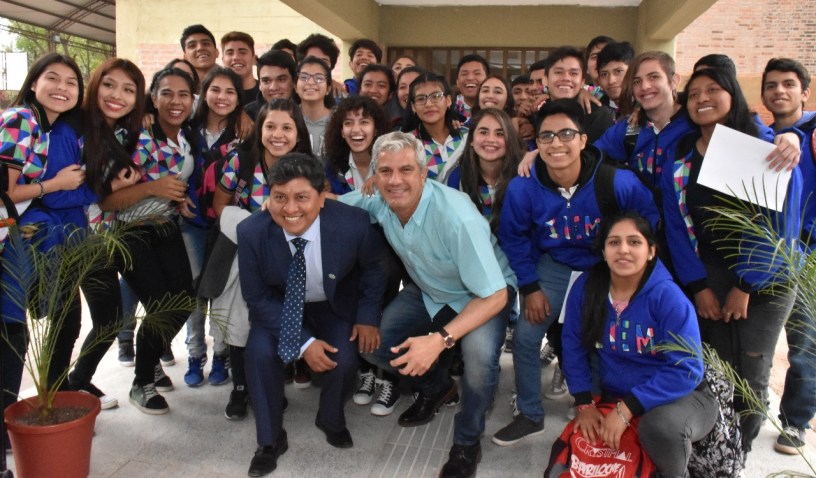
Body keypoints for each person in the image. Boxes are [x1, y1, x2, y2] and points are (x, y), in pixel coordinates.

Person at [338, 131, 516, 478]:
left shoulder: (456, 216)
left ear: (423, 173)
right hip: (430, 291)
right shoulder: (380, 201)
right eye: (385, 171)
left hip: (482, 295)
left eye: (406, 170)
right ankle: (438, 388)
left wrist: (440, 340)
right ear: (374, 177)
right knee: (375, 345)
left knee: (479, 364)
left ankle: (467, 442)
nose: (395, 180)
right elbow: (330, 204)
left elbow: (496, 295)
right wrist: (285, 203)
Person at [494, 99, 659, 447]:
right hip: (554, 264)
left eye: (566, 134)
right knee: (526, 336)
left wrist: (631, 267)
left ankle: (594, 402)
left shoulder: (616, 181)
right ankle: (529, 413)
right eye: (547, 136)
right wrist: (530, 286)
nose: (556, 143)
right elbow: (513, 236)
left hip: (603, 266)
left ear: (583, 140)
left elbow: (648, 220)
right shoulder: (523, 187)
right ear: (537, 144)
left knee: (603, 337)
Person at [661, 67, 803, 453]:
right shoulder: (681, 157)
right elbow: (676, 226)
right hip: (709, 276)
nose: (702, 99)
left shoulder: (764, 148)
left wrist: (745, 285)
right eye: (693, 94)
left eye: (713, 90)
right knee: (716, 370)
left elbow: (780, 225)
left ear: (733, 95)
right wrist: (699, 287)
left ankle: (741, 451)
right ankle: (718, 449)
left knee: (753, 369)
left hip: (766, 279)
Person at [239, 153, 388, 476]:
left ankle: (330, 419)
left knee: (343, 359)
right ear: (269, 198)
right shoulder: (251, 232)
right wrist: (305, 344)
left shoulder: (353, 223)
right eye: (280, 197)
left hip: (332, 306)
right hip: (278, 307)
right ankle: (269, 440)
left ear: (322, 197)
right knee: (259, 354)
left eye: (302, 197)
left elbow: (375, 269)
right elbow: (256, 297)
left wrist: (367, 316)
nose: (290, 208)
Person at [562, 211, 718, 477]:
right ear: (603, 252)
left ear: (651, 251)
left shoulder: (669, 297)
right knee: (581, 442)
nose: (623, 250)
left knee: (658, 427)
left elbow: (687, 369)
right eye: (614, 242)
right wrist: (584, 403)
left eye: (634, 242)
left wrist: (626, 409)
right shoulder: (586, 288)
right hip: (620, 396)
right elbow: (572, 345)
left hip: (684, 396)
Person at [44, 58, 145, 410]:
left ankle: (77, 382)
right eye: (109, 85)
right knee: (65, 326)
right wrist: (108, 188)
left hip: (98, 240)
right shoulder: (68, 129)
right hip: (64, 240)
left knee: (109, 318)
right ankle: (53, 403)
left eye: (128, 90)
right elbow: (54, 195)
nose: (117, 95)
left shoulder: (119, 132)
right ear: (94, 85)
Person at [98, 66, 199, 414]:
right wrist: (154, 188)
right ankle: (142, 383)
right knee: (159, 305)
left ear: (193, 100)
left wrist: (176, 197)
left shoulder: (186, 139)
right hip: (129, 232)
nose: (175, 101)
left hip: (166, 226)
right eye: (166, 93)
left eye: (183, 95)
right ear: (153, 98)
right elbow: (106, 200)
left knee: (183, 301)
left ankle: (151, 360)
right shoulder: (134, 138)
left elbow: (177, 180)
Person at [1, 53, 86, 442]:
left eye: (71, 82)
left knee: (13, 334)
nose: (62, 88)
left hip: (11, 235)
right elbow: (5, 191)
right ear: (34, 82)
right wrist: (55, 185)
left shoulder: (44, 128)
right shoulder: (21, 119)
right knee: (11, 334)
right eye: (53, 78)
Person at [323, 96, 404, 415]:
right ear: (340, 130)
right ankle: (368, 371)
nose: (356, 129)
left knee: (386, 310)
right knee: (357, 308)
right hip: (349, 248)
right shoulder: (333, 164)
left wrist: (381, 178)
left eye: (364, 122)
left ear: (377, 128)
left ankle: (388, 377)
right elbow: (326, 204)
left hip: (389, 247)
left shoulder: (389, 160)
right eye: (348, 123)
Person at [761, 57, 816, 455]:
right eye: (772, 85)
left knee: (805, 342)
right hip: (764, 254)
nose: (779, 91)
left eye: (789, 84)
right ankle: (754, 405)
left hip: (807, 254)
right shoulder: (760, 137)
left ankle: (796, 421)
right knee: (759, 340)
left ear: (804, 92)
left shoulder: (812, 136)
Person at [183, 66, 248, 388]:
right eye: (215, 90)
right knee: (195, 290)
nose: (222, 97)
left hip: (228, 223)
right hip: (193, 222)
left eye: (230, 91)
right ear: (203, 93)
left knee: (222, 287)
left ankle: (221, 354)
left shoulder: (245, 132)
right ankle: (196, 354)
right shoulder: (186, 130)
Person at [401, 72, 469, 184]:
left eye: (436, 96)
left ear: (448, 100)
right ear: (413, 106)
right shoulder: (407, 143)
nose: (428, 104)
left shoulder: (467, 136)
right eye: (421, 99)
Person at [294, 56, 335, 161]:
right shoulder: (288, 118)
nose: (310, 82)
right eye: (304, 77)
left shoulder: (338, 120)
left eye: (319, 78)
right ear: (295, 86)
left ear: (328, 88)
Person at [245, 49, 296, 121]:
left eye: (281, 80)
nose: (274, 87)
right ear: (259, 84)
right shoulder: (247, 116)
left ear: (294, 82)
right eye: (266, 81)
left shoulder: (305, 110)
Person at [595, 41, 635, 116]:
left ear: (633, 72)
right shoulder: (595, 109)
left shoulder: (647, 107)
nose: (611, 81)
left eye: (618, 71)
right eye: (604, 74)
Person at [221, 31, 259, 106]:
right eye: (230, 53)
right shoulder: (217, 96)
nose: (236, 57)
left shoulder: (265, 93)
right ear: (223, 60)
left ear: (254, 59)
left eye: (242, 52)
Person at [180, 24, 219, 90]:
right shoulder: (178, 85)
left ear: (216, 52)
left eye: (206, 44)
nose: (200, 48)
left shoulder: (232, 82)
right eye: (192, 46)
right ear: (185, 57)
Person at [453, 54, 489, 121]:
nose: (470, 78)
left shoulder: (496, 108)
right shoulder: (447, 109)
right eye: (464, 74)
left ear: (488, 80)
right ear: (457, 82)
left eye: (477, 73)